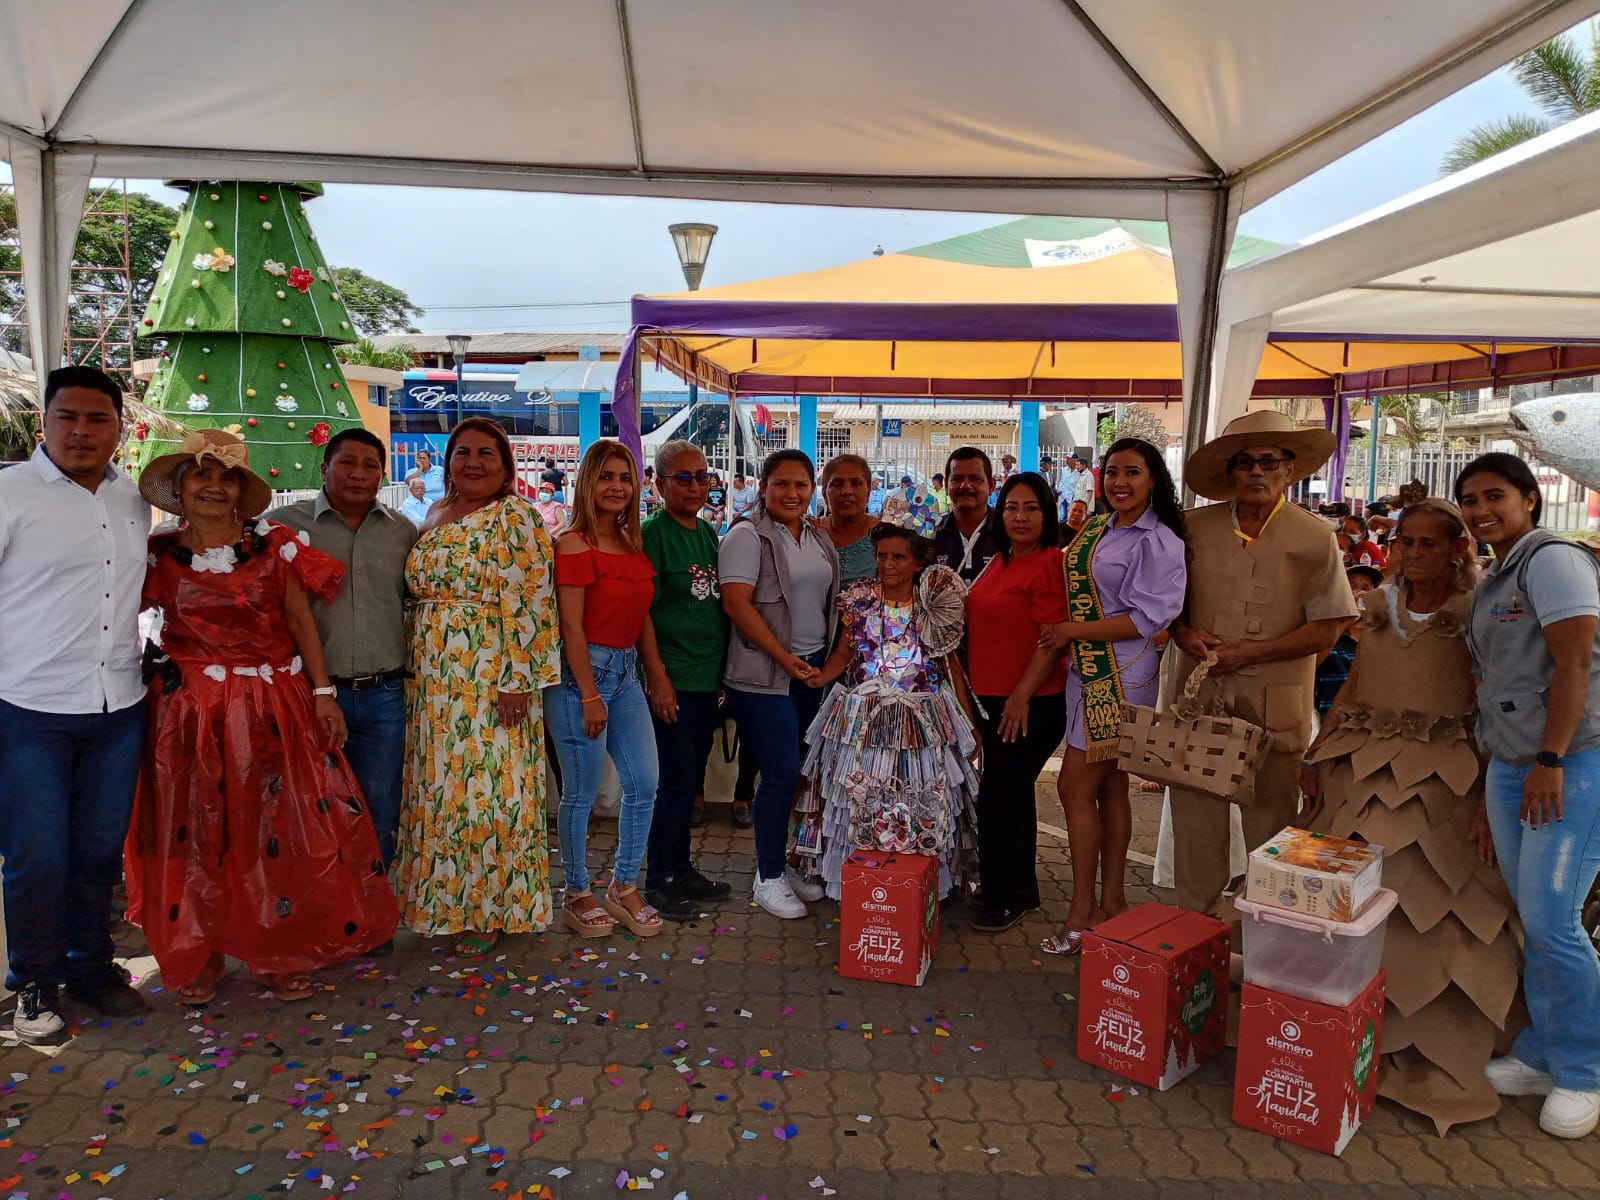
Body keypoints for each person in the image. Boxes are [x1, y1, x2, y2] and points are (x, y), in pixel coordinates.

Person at [127, 429, 398, 1004]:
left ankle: (277, 952)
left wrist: (323, 692)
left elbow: (300, 619)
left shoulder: (273, 543)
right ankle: (200, 954)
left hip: (273, 708)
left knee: (276, 829)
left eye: (225, 478)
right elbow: (113, 613)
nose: (213, 487)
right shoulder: (155, 553)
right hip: (191, 717)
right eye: (201, 476)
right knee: (198, 831)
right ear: (181, 487)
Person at [1301, 497, 1519, 1135]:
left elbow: (1493, 702)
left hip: (1446, 777)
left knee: (1433, 904)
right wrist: (1318, 747)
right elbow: (1355, 685)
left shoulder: (1477, 612)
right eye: (1406, 542)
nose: (1414, 553)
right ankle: (1330, 1022)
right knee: (1344, 887)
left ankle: (1418, 1041)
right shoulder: (1378, 606)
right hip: (1362, 766)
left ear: (1456, 549)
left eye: (1429, 543)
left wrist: (1490, 795)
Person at [0, 366, 151, 1042]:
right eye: (68, 417)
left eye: (98, 419)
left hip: (119, 705)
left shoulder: (134, 499)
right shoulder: (10, 494)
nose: (82, 431)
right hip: (28, 708)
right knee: (37, 855)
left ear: (120, 428)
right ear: (45, 422)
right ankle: (33, 981)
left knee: (97, 853)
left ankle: (90, 967)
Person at [1458, 452, 1600, 1141]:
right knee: (1537, 918)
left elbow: (1576, 662)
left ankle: (1583, 1072)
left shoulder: (1553, 560)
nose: (1481, 510)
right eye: (1470, 500)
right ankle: (1543, 1053)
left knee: (1555, 921)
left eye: (1495, 496)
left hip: (1571, 763)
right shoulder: (1497, 573)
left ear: (1529, 500)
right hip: (1513, 764)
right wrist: (1504, 770)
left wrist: (1551, 757)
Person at [1168, 411, 1356, 915]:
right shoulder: (1192, 528)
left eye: (1269, 461)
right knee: (1196, 815)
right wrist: (1184, 634)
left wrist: (1253, 652)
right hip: (1201, 698)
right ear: (1230, 471)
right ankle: (1195, 926)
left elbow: (1329, 626)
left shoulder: (1315, 536)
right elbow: (1166, 606)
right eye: (1245, 461)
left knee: (1273, 826)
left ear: (1289, 469)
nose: (1256, 471)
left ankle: (1268, 929)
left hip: (1276, 703)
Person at [398, 417, 561, 957]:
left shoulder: (515, 516)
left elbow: (533, 601)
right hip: (432, 682)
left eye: (486, 453)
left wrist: (518, 681)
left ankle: (492, 908)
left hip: (489, 679)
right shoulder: (435, 512)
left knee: (489, 792)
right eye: (462, 452)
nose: (472, 462)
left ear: (506, 465)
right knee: (442, 792)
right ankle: (443, 903)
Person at [1037, 439, 1188, 953]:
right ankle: (1113, 902)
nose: (1120, 482)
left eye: (1133, 472)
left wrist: (1071, 631)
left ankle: (1082, 910)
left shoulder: (1159, 540)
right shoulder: (1100, 527)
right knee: (1111, 787)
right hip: (1087, 669)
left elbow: (1149, 619)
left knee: (1073, 788)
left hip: (1120, 675)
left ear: (1153, 479)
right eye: (1112, 472)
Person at [803, 510, 978, 898]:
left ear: (917, 562)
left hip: (921, 723)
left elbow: (950, 666)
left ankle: (916, 886)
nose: (888, 564)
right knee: (861, 799)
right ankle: (863, 885)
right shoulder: (859, 601)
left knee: (918, 798)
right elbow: (843, 653)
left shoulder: (931, 604)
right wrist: (822, 675)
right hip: (864, 720)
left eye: (898, 557)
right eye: (882, 556)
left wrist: (967, 724)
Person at [277, 429, 418, 875]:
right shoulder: (282, 528)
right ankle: (319, 906)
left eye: (370, 466)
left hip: (384, 697)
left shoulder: (402, 532)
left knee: (379, 811)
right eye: (347, 463)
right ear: (325, 469)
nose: (359, 474)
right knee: (310, 810)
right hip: (309, 696)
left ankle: (371, 905)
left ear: (382, 475)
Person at [549, 439, 663, 938]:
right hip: (582, 677)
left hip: (626, 673)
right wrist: (590, 694)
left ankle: (623, 884)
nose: (616, 487)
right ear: (587, 483)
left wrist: (656, 674)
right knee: (581, 793)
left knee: (645, 784)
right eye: (606, 477)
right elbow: (571, 627)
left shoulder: (632, 543)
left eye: (625, 478)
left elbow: (642, 617)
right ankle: (577, 891)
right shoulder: (573, 543)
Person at [719, 450, 840, 919]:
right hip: (762, 676)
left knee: (801, 773)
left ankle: (787, 861)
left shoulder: (816, 536)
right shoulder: (746, 535)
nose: (792, 493)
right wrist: (784, 657)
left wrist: (816, 664)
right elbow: (737, 605)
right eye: (781, 484)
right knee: (781, 771)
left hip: (811, 672)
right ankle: (768, 875)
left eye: (801, 485)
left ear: (813, 489)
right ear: (763, 488)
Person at [965, 471, 1070, 933]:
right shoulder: (1000, 560)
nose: (1020, 517)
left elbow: (1051, 641)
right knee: (1013, 795)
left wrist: (1021, 696)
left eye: (1031, 508)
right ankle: (1021, 889)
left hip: (1030, 703)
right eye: (1011, 507)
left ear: (1046, 513)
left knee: (997, 798)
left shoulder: (1050, 563)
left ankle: (1002, 895)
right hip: (991, 700)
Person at [639, 441, 735, 919]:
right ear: (659, 485)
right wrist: (658, 677)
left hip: (707, 678)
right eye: (683, 478)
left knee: (690, 777)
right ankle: (658, 879)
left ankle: (681, 868)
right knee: (673, 782)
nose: (696, 486)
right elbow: (642, 614)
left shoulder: (708, 532)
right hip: (673, 678)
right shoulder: (652, 535)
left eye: (702, 477)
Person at [1312, 564, 1382, 717]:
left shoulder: (1379, 636)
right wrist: (1349, 618)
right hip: (1328, 720)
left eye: (1366, 588)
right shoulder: (1325, 629)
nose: (1360, 594)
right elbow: (1311, 665)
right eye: (1351, 587)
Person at [930, 447, 998, 583]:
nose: (965, 485)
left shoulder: (1007, 534)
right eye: (957, 479)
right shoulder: (932, 534)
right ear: (946, 485)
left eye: (975, 479)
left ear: (991, 485)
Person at [818, 453, 879, 585]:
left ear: (868, 493)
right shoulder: (810, 534)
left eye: (856, 483)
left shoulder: (885, 537)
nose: (847, 491)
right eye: (837, 484)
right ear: (824, 494)